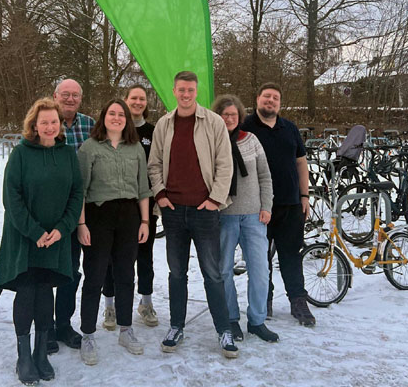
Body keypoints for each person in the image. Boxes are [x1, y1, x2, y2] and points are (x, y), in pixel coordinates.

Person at [148, 71, 239, 359]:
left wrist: (215, 199)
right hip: (173, 212)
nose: (186, 95)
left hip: (204, 210)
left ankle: (223, 330)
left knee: (213, 273)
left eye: (191, 90)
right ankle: (176, 326)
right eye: (181, 90)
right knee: (177, 273)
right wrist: (160, 195)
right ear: (174, 91)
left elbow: (225, 164)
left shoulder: (212, 122)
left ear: (196, 91)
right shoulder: (164, 124)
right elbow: (154, 164)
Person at [0, 97, 83, 386]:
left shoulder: (68, 154)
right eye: (43, 121)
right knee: (28, 290)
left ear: (60, 125)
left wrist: (62, 228)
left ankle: (41, 352)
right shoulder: (20, 154)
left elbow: (76, 195)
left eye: (53, 121)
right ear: (34, 124)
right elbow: (12, 197)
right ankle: (23, 356)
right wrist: (35, 232)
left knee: (46, 291)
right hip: (24, 237)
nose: (49, 126)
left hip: (57, 237)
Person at [77, 98, 152, 365]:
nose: (117, 118)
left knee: (125, 275)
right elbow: (81, 192)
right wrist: (81, 224)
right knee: (95, 276)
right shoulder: (89, 148)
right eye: (112, 113)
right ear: (103, 117)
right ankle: (87, 334)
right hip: (98, 217)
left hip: (129, 217)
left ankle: (126, 329)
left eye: (121, 114)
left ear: (127, 120)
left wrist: (145, 222)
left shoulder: (135, 149)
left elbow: (143, 188)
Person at [241, 83, 316, 326]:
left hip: (290, 205)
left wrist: (304, 196)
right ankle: (266, 300)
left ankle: (298, 301)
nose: (270, 101)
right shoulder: (245, 128)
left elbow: (301, 163)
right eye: (266, 97)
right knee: (260, 258)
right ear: (257, 99)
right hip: (258, 206)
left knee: (290, 256)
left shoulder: (290, 129)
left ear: (280, 103)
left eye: (275, 98)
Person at [212, 94, 279, 343]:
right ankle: (230, 319)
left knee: (260, 271)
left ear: (239, 116)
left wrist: (267, 206)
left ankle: (257, 320)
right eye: (224, 114)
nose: (229, 118)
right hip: (224, 217)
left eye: (233, 114)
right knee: (223, 271)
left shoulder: (251, 140)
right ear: (217, 116)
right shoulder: (212, 142)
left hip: (253, 216)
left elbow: (265, 176)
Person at [102, 85, 159, 331]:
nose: (137, 102)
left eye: (142, 99)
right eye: (133, 98)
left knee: (145, 255)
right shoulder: (115, 129)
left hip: (145, 204)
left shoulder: (152, 131)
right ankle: (110, 306)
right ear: (126, 101)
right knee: (112, 259)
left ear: (146, 103)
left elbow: (158, 165)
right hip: (115, 205)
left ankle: (145, 303)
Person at [50, 79, 96, 352]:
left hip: (78, 211)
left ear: (80, 98)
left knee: (70, 270)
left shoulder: (90, 126)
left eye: (74, 95)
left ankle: (63, 324)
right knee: (44, 271)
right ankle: (44, 327)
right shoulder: (44, 122)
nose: (69, 99)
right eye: (65, 94)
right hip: (48, 211)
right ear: (55, 96)